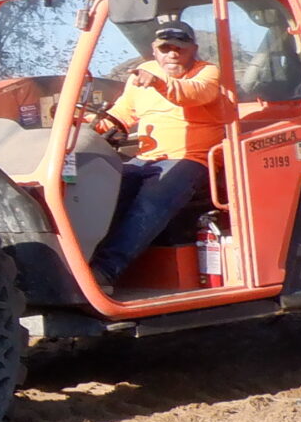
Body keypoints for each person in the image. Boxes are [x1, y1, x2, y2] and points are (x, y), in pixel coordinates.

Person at [86, 18, 227, 288]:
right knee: (104, 187)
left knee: (152, 199)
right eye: (166, 48)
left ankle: (104, 272)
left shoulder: (206, 72)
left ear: (193, 49)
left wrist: (160, 84)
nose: (173, 53)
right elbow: (121, 114)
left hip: (192, 159)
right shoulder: (143, 73)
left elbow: (194, 94)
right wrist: (87, 128)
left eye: (180, 48)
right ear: (155, 49)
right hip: (148, 158)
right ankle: (81, 261)